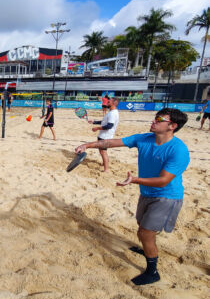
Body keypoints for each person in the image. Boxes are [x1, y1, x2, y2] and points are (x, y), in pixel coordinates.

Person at [75, 108, 190, 285]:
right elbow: (110, 143)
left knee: (145, 232)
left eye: (160, 119)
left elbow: (163, 181)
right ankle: (148, 247)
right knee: (142, 227)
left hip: (167, 196)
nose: (154, 120)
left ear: (172, 126)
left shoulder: (178, 150)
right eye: (155, 117)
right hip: (146, 192)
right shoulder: (144, 138)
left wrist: (135, 180)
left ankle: (153, 272)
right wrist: (87, 145)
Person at [87, 97, 120, 172]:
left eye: (109, 101)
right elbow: (105, 122)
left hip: (105, 136)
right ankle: (104, 163)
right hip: (105, 135)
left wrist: (97, 128)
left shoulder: (113, 113)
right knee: (102, 151)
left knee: (103, 152)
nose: (107, 102)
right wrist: (94, 122)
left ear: (114, 103)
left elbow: (109, 126)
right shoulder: (112, 112)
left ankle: (106, 169)